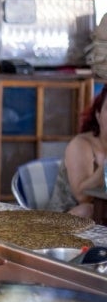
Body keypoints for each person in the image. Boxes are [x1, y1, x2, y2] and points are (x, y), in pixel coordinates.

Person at [45, 87, 107, 218]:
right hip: (66, 218)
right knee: (87, 209)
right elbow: (82, 196)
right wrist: (104, 167)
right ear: (98, 114)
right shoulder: (80, 145)